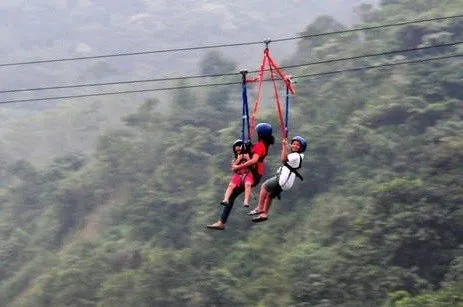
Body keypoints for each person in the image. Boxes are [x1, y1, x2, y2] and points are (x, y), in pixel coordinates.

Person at [207, 122, 275, 230]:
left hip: (254, 174)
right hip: (255, 173)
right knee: (232, 196)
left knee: (231, 196)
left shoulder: (260, 146)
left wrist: (238, 167)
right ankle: (221, 222)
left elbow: (254, 160)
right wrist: (249, 147)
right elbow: (254, 155)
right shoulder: (263, 145)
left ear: (260, 134)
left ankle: (222, 222)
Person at [249, 135, 307, 223]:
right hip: (286, 182)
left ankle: (260, 207)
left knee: (264, 186)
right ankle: (264, 214)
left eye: (297, 145)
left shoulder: (296, 156)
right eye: (294, 144)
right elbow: (286, 158)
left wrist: (284, 147)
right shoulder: (297, 155)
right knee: (270, 195)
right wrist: (286, 147)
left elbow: (283, 159)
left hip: (282, 180)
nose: (295, 146)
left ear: (301, 148)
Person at [221, 139, 254, 208]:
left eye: (240, 150)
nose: (239, 152)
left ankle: (246, 200)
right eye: (237, 151)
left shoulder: (249, 156)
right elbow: (233, 167)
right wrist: (238, 160)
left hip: (247, 174)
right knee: (231, 185)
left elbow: (252, 166)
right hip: (238, 175)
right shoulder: (235, 159)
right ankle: (226, 199)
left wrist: (248, 159)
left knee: (248, 184)